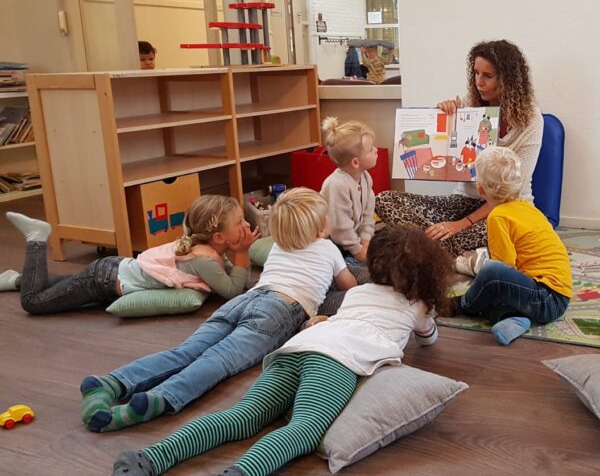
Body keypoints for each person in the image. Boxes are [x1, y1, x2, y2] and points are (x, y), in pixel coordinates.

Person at [112, 225, 454, 476]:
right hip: (337, 362)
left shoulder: (359, 292)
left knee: (243, 416)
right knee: (303, 429)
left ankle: (151, 458)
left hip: (298, 348)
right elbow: (428, 338)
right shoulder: (418, 304)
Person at [80, 187, 357, 433]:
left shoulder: (278, 247)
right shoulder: (328, 248)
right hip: (279, 310)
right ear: (321, 228)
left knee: (186, 351)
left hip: (244, 300)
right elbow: (349, 284)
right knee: (219, 360)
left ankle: (110, 383)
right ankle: (161, 398)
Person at [376, 39, 543, 259]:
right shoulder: (469, 105)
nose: (478, 82)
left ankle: (428, 245)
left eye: (487, 76)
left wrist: (460, 225)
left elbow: (511, 191)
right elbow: (444, 151)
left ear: (508, 80)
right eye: (476, 73)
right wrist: (444, 117)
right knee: (385, 200)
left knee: (503, 227)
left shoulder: (531, 120)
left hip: (506, 206)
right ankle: (443, 246)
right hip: (465, 200)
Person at [0, 195, 257, 315]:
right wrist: (243, 254)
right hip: (101, 282)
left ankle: (16, 280)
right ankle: (36, 239)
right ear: (219, 238)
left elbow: (231, 279)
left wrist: (235, 255)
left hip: (110, 270)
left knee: (61, 286)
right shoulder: (204, 260)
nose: (246, 225)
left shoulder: (208, 250)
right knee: (34, 303)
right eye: (239, 222)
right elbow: (233, 291)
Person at [447, 147, 572, 346]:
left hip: (545, 296)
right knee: (494, 298)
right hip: (559, 299)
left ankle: (461, 305)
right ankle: (514, 318)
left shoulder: (498, 216)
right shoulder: (529, 208)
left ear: (480, 190)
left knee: (491, 272)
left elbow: (503, 266)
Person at [320, 117, 378, 265]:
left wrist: (366, 240)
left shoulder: (365, 177)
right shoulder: (337, 185)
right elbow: (340, 227)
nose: (376, 150)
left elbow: (368, 213)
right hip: (330, 243)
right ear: (355, 162)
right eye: (371, 150)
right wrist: (357, 249)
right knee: (360, 272)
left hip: (350, 241)